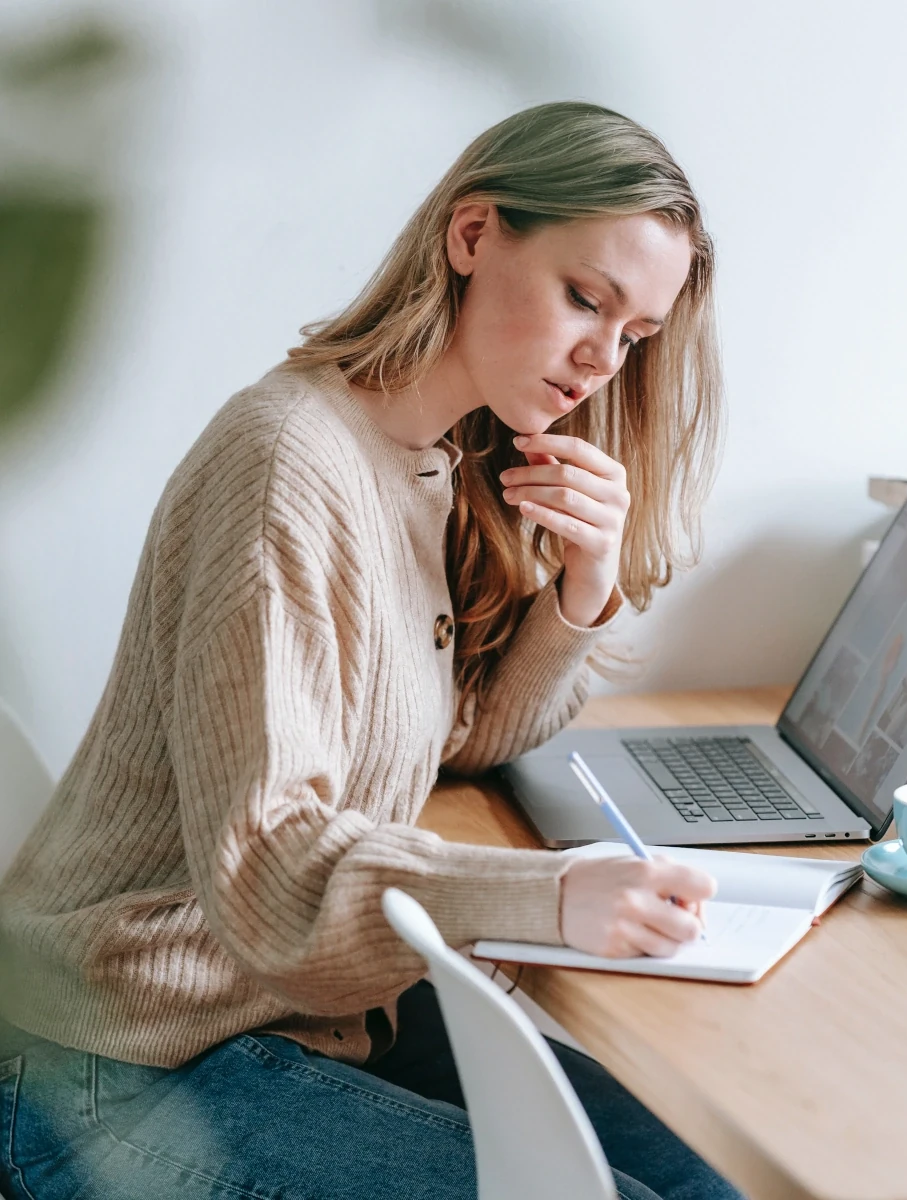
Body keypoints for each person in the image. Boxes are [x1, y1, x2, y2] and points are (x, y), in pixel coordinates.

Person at [0, 101, 744, 1199]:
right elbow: (266, 869)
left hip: (301, 1013)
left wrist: (585, 589)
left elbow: (462, 740)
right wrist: (551, 896)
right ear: (473, 234)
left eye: (633, 335)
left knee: (704, 1180)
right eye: (585, 298)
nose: (601, 359)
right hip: (117, 1064)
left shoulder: (430, 460)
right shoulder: (285, 464)